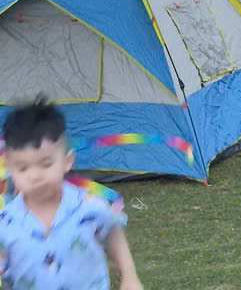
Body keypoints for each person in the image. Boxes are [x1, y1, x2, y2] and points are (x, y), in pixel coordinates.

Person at [0, 99, 144, 290]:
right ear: (10, 168)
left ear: (67, 161)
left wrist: (129, 277)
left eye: (46, 164)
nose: (35, 176)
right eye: (23, 168)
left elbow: (113, 233)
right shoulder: (6, 222)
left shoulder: (90, 207)